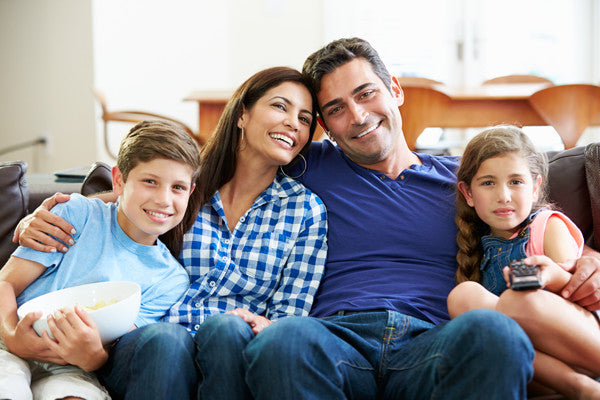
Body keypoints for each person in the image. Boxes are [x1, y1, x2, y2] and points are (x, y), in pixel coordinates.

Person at [234, 37, 600, 400]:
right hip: (335, 338)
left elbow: (531, 223)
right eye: (336, 109)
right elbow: (230, 163)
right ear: (324, 126)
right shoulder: (305, 165)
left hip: (436, 341)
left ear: (395, 89)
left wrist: (588, 261)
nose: (358, 116)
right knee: (282, 340)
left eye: (365, 94)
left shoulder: (467, 182)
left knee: (496, 331)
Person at [13, 66, 328, 400]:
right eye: (280, 106)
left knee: (225, 330)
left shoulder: (305, 210)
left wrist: (264, 325)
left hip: (233, 345)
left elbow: (290, 316)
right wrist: (38, 216)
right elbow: (129, 200)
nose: (294, 122)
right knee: (166, 339)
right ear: (242, 115)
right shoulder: (184, 186)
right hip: (150, 342)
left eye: (306, 118)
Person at [0, 120, 199, 400]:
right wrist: (11, 336)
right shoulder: (76, 215)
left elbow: (117, 345)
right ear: (119, 180)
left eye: (177, 187)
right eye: (150, 181)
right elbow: (6, 282)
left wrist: (94, 358)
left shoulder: (170, 280)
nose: (164, 200)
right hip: (7, 347)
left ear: (190, 192)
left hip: (71, 369)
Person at [447, 125, 600, 399]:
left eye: (516, 182)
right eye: (488, 182)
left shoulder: (547, 226)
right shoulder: (476, 247)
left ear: (535, 188)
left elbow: (581, 298)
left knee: (519, 300)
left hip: (581, 342)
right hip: (539, 367)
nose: (504, 195)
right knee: (463, 296)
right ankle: (577, 387)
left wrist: (553, 276)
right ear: (468, 193)